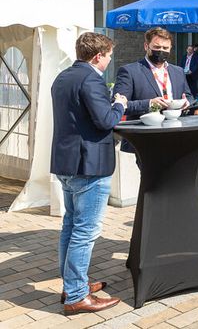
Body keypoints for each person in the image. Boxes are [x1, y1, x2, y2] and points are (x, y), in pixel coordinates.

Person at [50, 32, 127, 315]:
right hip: (89, 166)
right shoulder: (91, 78)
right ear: (98, 56)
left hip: (66, 163)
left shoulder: (63, 77)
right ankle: (76, 295)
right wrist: (119, 103)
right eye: (108, 56)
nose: (109, 60)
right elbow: (106, 120)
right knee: (85, 232)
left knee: (70, 228)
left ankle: (73, 285)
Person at [113, 27, 192, 122]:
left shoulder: (178, 71)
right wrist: (149, 103)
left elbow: (189, 96)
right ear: (146, 46)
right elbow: (118, 104)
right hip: (144, 130)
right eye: (157, 47)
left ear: (170, 48)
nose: (161, 51)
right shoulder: (129, 71)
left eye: (165, 48)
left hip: (174, 127)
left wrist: (187, 102)